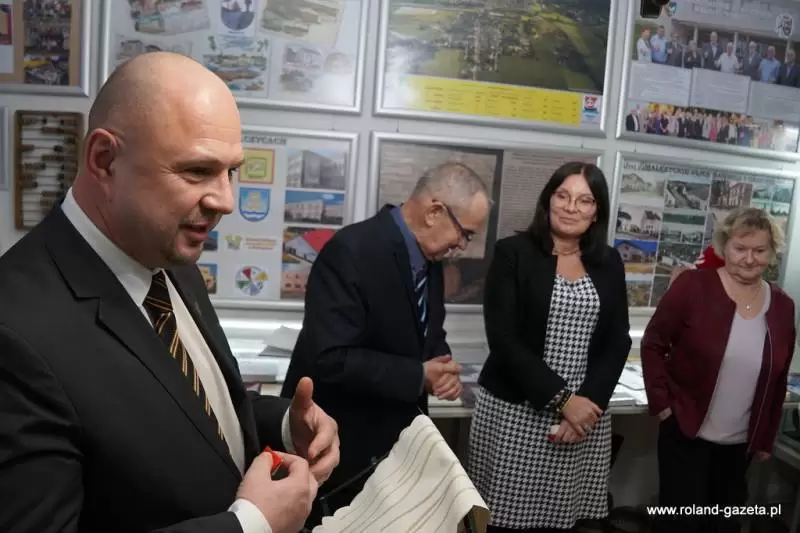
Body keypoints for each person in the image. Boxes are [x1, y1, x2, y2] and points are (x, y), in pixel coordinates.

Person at [0, 52, 340, 533]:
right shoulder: (14, 331)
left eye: (231, 172)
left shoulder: (169, 257)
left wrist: (284, 424)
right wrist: (249, 526)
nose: (225, 201)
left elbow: (185, 409)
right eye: (197, 171)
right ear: (104, 161)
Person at [282, 162, 492, 525]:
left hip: (394, 448)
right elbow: (329, 357)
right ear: (434, 212)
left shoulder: (429, 258)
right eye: (465, 233)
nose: (461, 245)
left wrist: (442, 366)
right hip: (342, 449)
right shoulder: (351, 251)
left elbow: (428, 330)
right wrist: (417, 375)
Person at [468, 162, 632, 533]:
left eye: (585, 200)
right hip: (517, 413)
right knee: (502, 522)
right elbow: (503, 340)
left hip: (583, 417)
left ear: (597, 212)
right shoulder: (512, 253)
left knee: (563, 520)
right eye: (563, 196)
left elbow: (618, 339)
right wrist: (563, 400)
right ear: (548, 200)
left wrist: (586, 407)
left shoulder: (609, 262)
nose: (571, 207)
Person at [641, 207, 796, 533]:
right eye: (740, 248)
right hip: (686, 433)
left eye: (759, 250)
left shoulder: (782, 305)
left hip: (740, 445)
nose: (749, 259)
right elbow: (653, 342)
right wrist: (662, 402)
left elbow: (779, 377)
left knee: (722, 524)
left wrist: (766, 436)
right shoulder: (693, 286)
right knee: (680, 524)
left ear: (772, 253)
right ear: (725, 246)